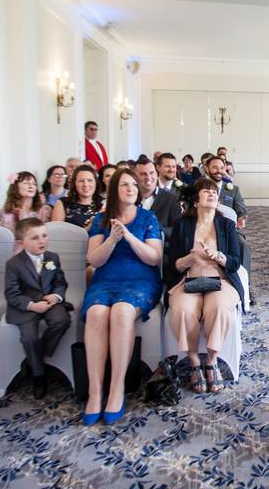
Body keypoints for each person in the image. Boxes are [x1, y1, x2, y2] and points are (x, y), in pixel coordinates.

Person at [81, 169, 163, 425]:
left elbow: (154, 258)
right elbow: (94, 259)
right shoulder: (101, 220)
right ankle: (95, 392)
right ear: (115, 189)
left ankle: (117, 387)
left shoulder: (148, 218)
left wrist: (127, 236)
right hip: (106, 279)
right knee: (96, 313)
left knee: (121, 311)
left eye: (134, 185)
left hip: (140, 280)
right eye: (125, 185)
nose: (131, 189)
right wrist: (112, 240)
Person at [165, 178, 246, 393]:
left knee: (219, 308)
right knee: (182, 310)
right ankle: (194, 363)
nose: (211, 194)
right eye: (206, 191)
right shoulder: (182, 225)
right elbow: (173, 263)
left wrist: (218, 256)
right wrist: (188, 260)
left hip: (221, 280)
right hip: (189, 278)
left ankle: (212, 360)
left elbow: (236, 262)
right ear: (195, 200)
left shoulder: (226, 225)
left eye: (213, 192)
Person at [4, 218, 72, 399]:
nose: (42, 241)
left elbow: (60, 282)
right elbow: (12, 294)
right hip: (26, 306)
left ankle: (34, 359)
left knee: (62, 320)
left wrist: (56, 296)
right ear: (22, 242)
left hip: (49, 302)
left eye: (44, 236)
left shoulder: (52, 257)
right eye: (35, 238)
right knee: (29, 337)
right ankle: (39, 375)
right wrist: (32, 305)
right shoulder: (13, 264)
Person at [135, 158, 182, 242]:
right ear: (135, 177)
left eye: (152, 173)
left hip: (162, 251)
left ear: (156, 174)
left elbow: (177, 231)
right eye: (143, 174)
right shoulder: (129, 199)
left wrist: (154, 229)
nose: (148, 177)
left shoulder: (172, 199)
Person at [52, 165, 102, 229]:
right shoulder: (63, 203)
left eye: (90, 180)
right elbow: (56, 233)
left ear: (96, 182)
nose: (86, 184)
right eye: (81, 181)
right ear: (74, 184)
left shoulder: (105, 203)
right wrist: (88, 228)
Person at [205, 156, 247, 229]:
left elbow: (241, 209)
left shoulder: (234, 189)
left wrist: (241, 218)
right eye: (215, 167)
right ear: (207, 169)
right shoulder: (199, 188)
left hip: (228, 228)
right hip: (205, 228)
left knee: (242, 240)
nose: (219, 171)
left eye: (221, 168)